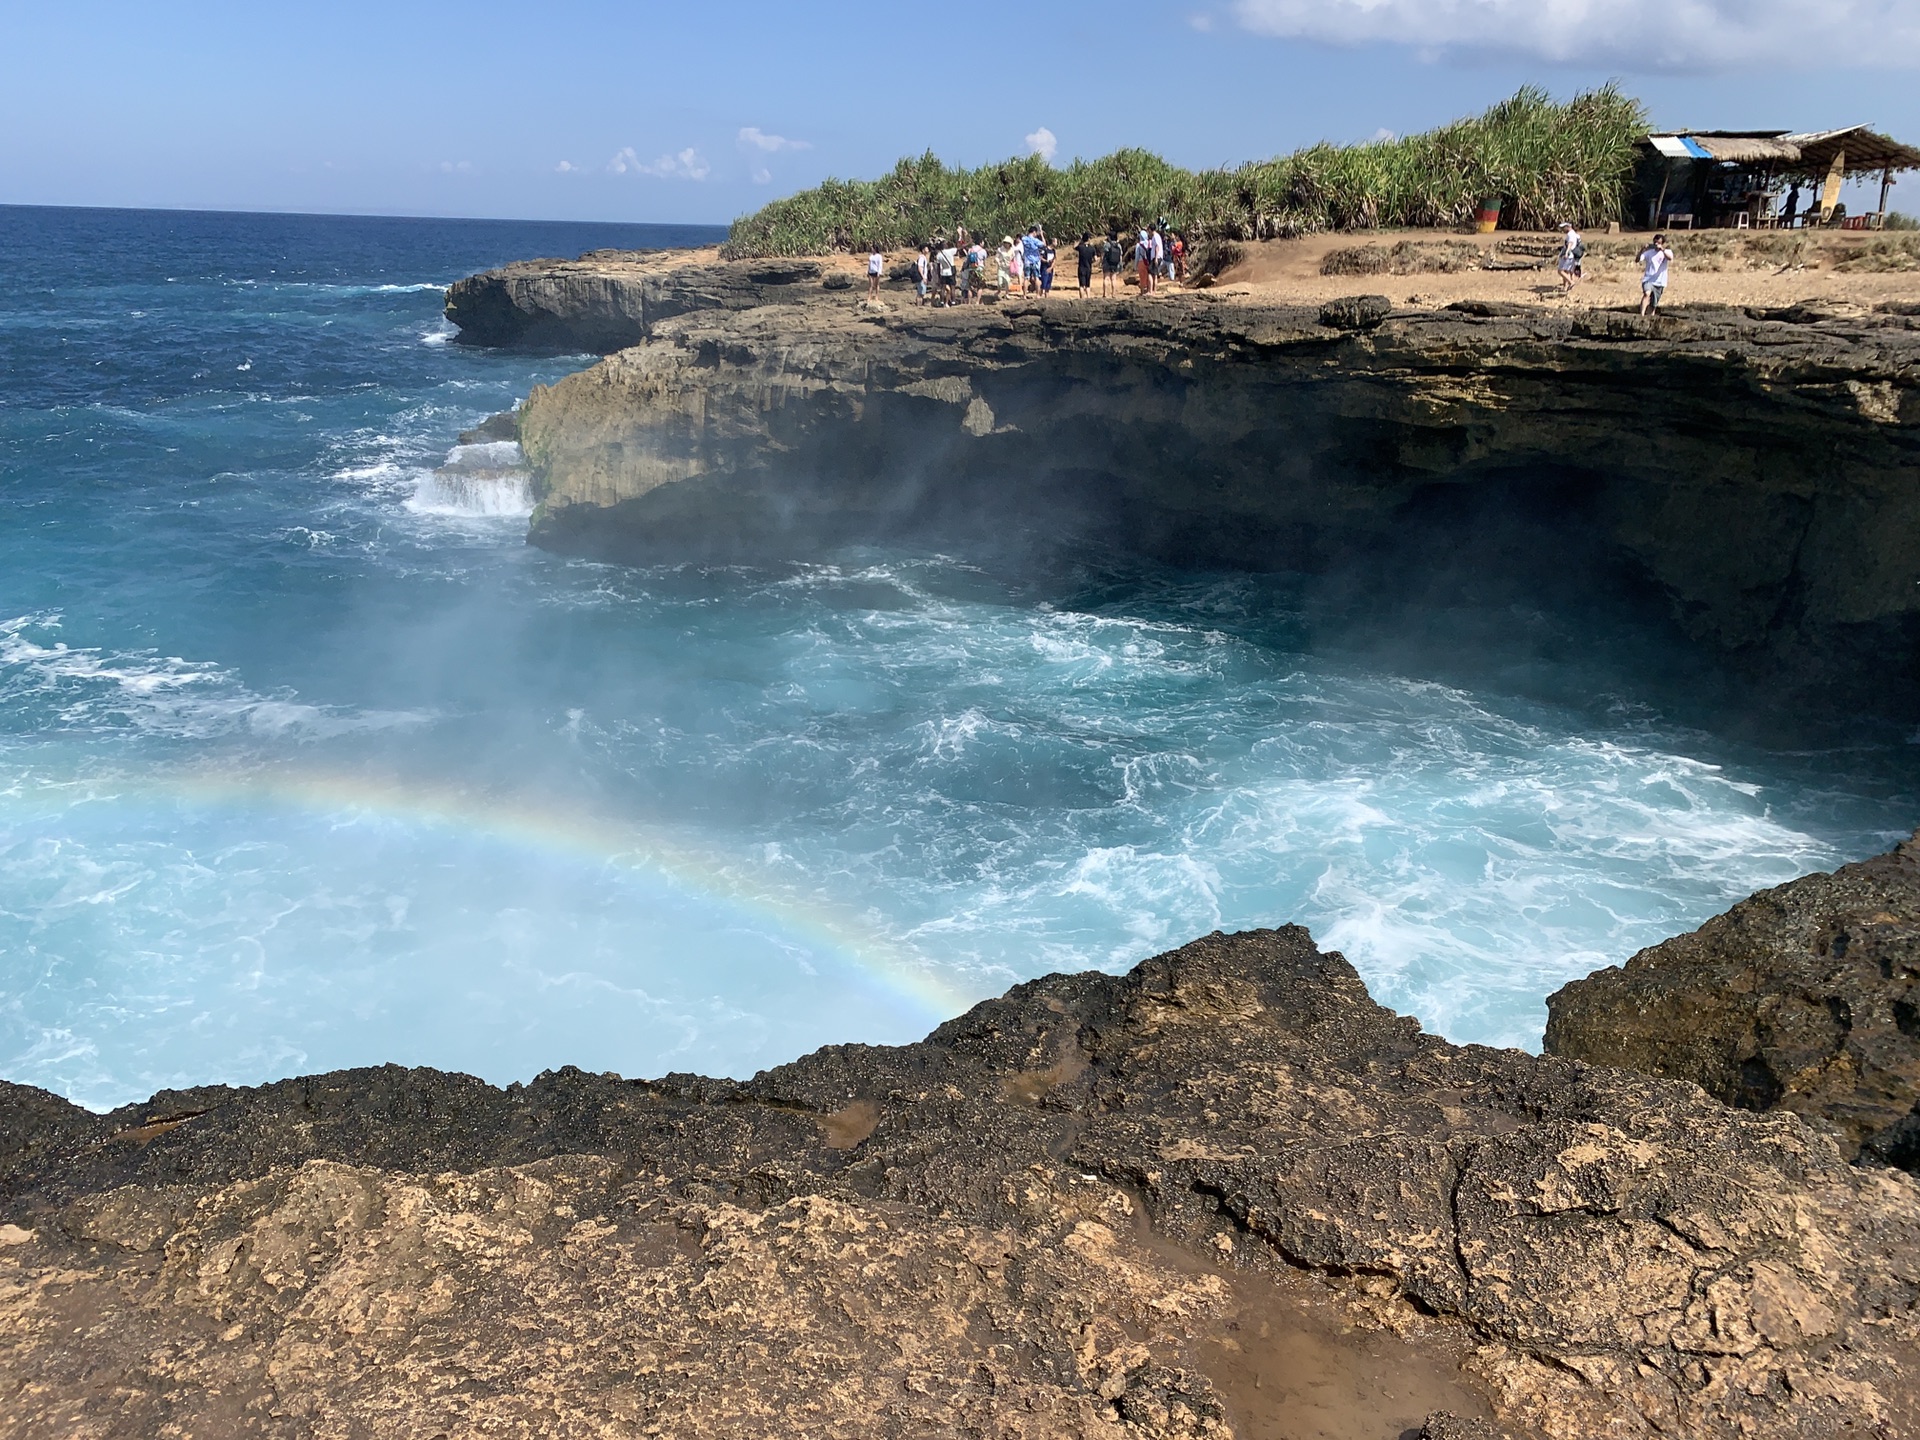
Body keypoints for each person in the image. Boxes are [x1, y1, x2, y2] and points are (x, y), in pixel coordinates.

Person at [1638, 233, 1672, 317]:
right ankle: (1641, 315)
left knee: (1653, 304)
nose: (1656, 244)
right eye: (1655, 242)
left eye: (1659, 243)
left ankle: (1650, 318)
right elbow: (1637, 260)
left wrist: (1662, 250)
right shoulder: (1649, 252)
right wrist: (1642, 249)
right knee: (1647, 294)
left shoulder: (1667, 251)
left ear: (1662, 243)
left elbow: (1670, 258)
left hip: (1660, 281)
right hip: (1648, 279)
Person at [1556, 222, 1583, 296]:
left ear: (1568, 227)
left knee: (1560, 271)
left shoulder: (1570, 234)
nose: (1562, 229)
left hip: (1569, 255)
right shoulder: (1575, 234)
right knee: (1567, 271)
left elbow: (1570, 243)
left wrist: (1566, 253)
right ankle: (1565, 287)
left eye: (1563, 228)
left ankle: (1571, 282)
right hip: (1572, 255)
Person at [1021, 226, 1045, 296]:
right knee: (1036, 278)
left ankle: (1024, 295)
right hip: (1036, 261)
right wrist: (1041, 235)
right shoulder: (1036, 240)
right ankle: (1037, 295)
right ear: (1034, 232)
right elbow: (1044, 244)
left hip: (1027, 261)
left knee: (1026, 278)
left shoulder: (1024, 239)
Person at [935, 239, 958, 306]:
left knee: (943, 288)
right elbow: (959, 248)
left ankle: (942, 302)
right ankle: (953, 301)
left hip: (943, 272)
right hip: (950, 272)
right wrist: (968, 243)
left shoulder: (938, 255)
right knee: (952, 287)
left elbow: (938, 267)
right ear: (945, 245)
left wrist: (939, 276)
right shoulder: (950, 251)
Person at [1074, 232, 1098, 297]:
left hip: (1081, 268)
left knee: (1081, 285)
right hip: (1088, 268)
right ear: (1089, 239)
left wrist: (1080, 241)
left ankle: (1082, 298)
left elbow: (1074, 246)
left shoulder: (1080, 247)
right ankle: (1088, 297)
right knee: (1088, 285)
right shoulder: (1092, 248)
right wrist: (1090, 262)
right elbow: (1096, 259)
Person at [1101, 232, 1123, 297]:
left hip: (1107, 263)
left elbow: (1103, 254)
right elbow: (1120, 255)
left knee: (1106, 278)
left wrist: (1101, 262)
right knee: (1113, 279)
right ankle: (1114, 294)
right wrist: (1120, 264)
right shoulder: (1118, 245)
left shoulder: (1107, 245)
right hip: (1115, 263)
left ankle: (1105, 294)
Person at [1135, 224, 1153, 294]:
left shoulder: (1138, 245)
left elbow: (1137, 256)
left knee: (1142, 277)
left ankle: (1142, 291)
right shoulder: (1149, 242)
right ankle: (1149, 289)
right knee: (1148, 276)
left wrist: (1135, 265)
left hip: (1140, 261)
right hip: (1148, 261)